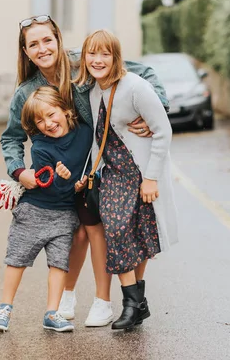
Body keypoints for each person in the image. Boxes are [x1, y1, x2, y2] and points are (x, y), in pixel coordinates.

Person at [0, 15, 169, 326]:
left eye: (47, 40)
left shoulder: (83, 63)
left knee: (102, 228)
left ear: (58, 40)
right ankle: (68, 296)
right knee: (74, 234)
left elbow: (143, 72)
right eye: (33, 44)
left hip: (99, 164)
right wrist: (18, 171)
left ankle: (105, 301)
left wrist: (155, 109)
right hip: (57, 176)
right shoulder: (25, 92)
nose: (42, 48)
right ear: (25, 52)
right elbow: (11, 138)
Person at [74, 29, 179, 330]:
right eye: (92, 53)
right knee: (117, 229)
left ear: (116, 57)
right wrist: (88, 174)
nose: (97, 59)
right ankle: (132, 303)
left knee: (142, 236)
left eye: (105, 53)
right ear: (84, 58)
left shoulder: (136, 87)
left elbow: (163, 131)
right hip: (114, 174)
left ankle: (136, 305)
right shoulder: (94, 91)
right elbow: (99, 137)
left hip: (141, 172)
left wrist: (151, 179)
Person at [0, 86, 91, 333]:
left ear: (66, 110)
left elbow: (91, 162)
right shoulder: (40, 148)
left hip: (65, 215)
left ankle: (52, 313)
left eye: (51, 114)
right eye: (40, 120)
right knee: (17, 259)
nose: (48, 123)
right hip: (35, 210)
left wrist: (80, 183)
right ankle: (4, 308)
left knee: (59, 264)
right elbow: (51, 188)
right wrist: (63, 179)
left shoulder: (86, 134)